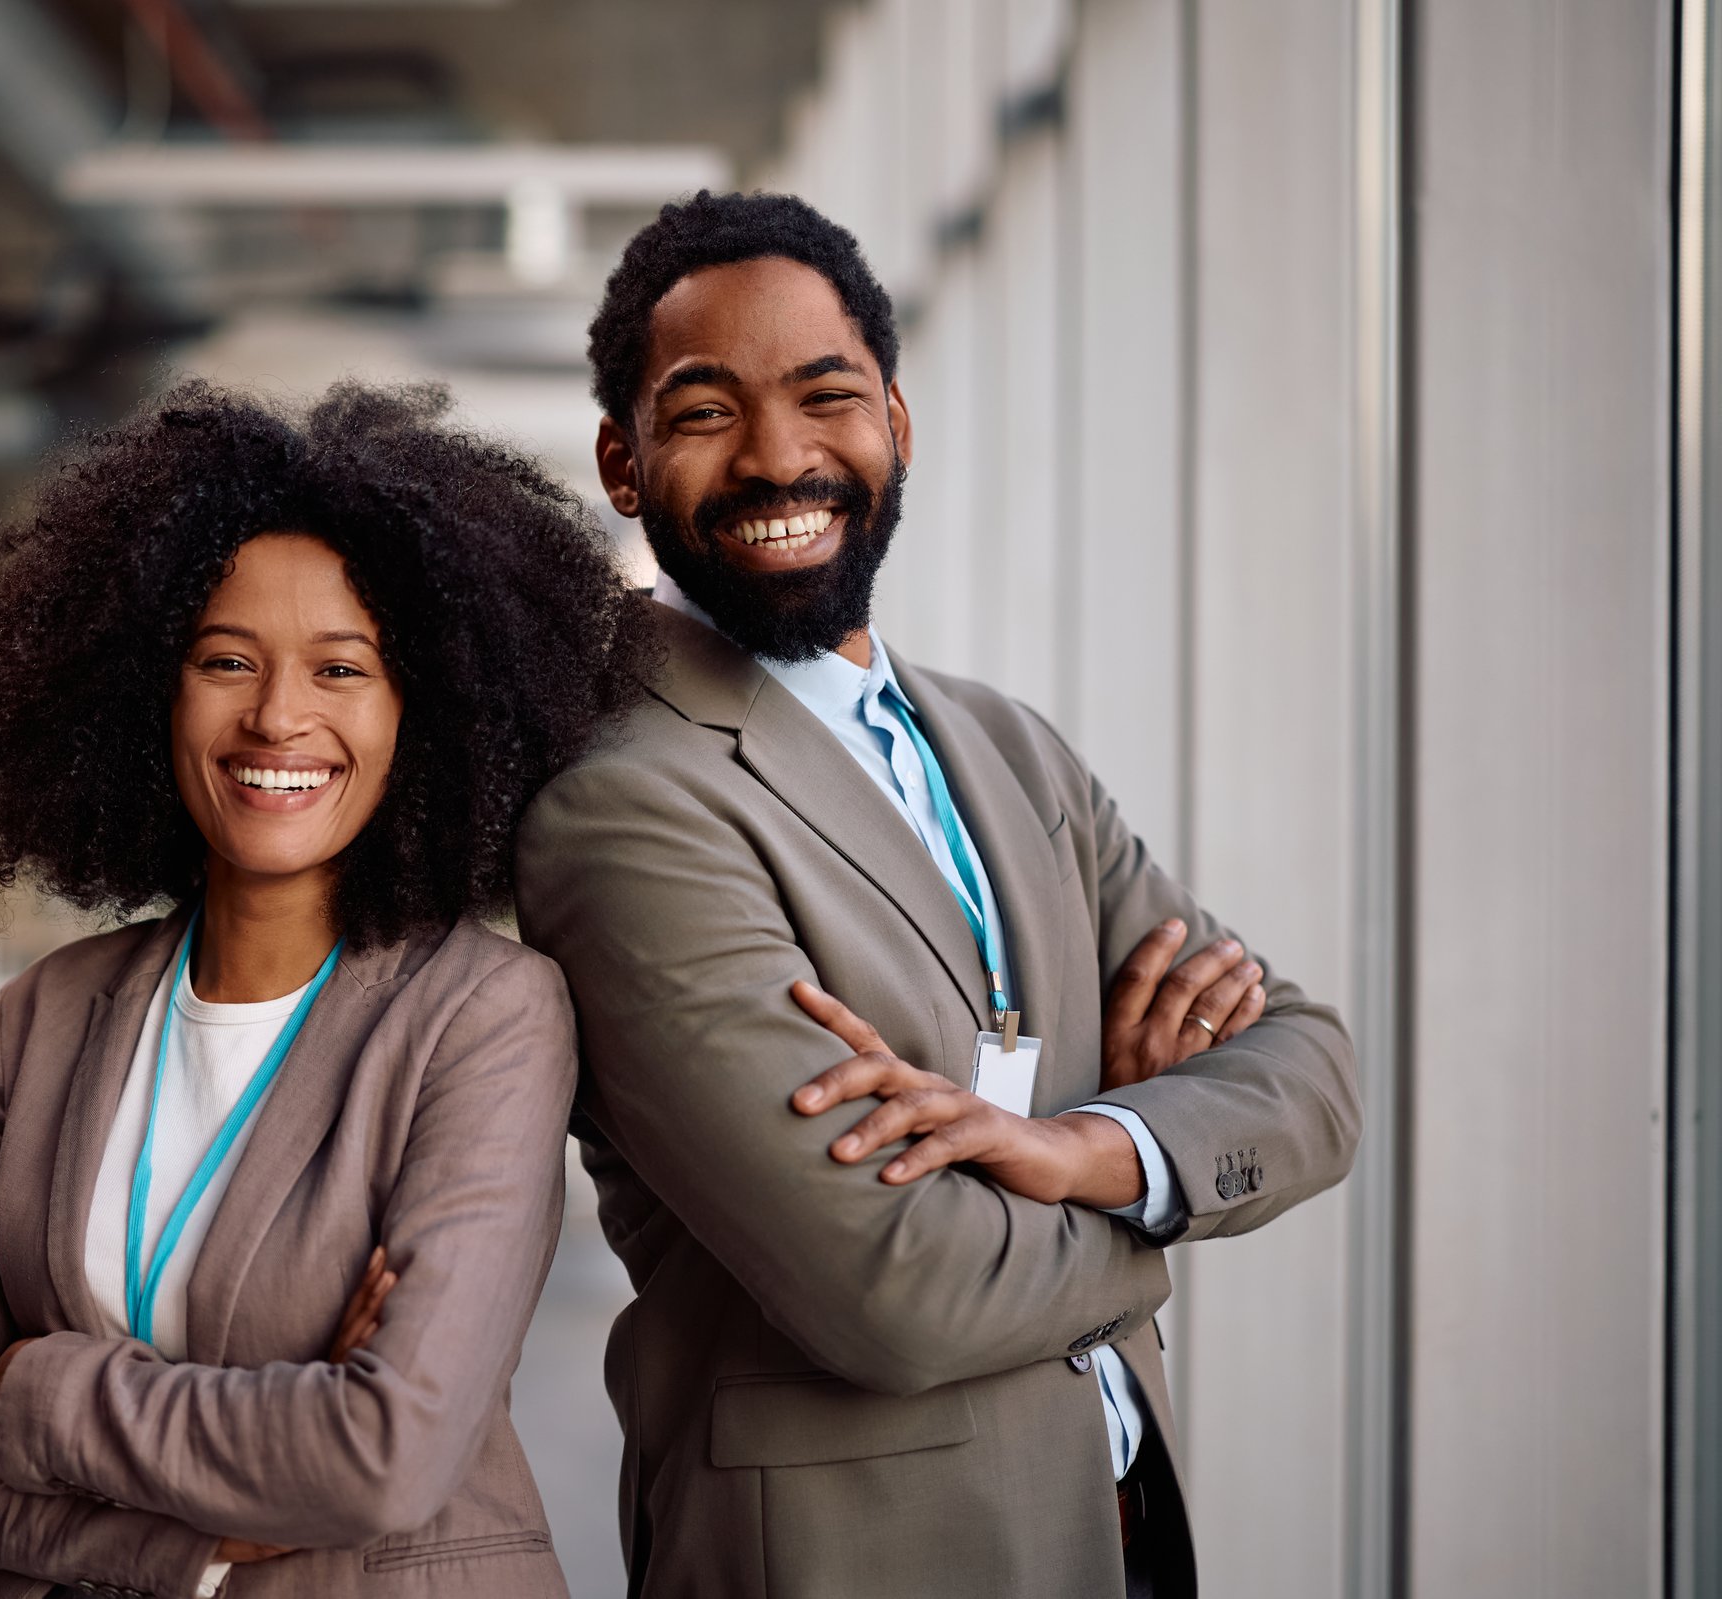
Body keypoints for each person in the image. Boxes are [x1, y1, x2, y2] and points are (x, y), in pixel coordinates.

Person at [514, 191, 1361, 1598]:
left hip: (1119, 1514)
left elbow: (1317, 1064)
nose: (780, 455)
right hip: (856, 1558)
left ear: (897, 423)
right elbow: (897, 1288)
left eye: (824, 394)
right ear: (623, 458)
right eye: (708, 410)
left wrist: (1088, 1147)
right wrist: (1165, 1192)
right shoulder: (622, 802)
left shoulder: (1007, 745)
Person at [0, 379, 652, 1599]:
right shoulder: (46, 1016)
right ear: (145, 694)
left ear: (427, 713)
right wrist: (189, 1533)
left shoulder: (482, 1015)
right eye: (225, 659)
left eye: (343, 669)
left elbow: (380, 1456)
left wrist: (35, 1386)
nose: (278, 716)